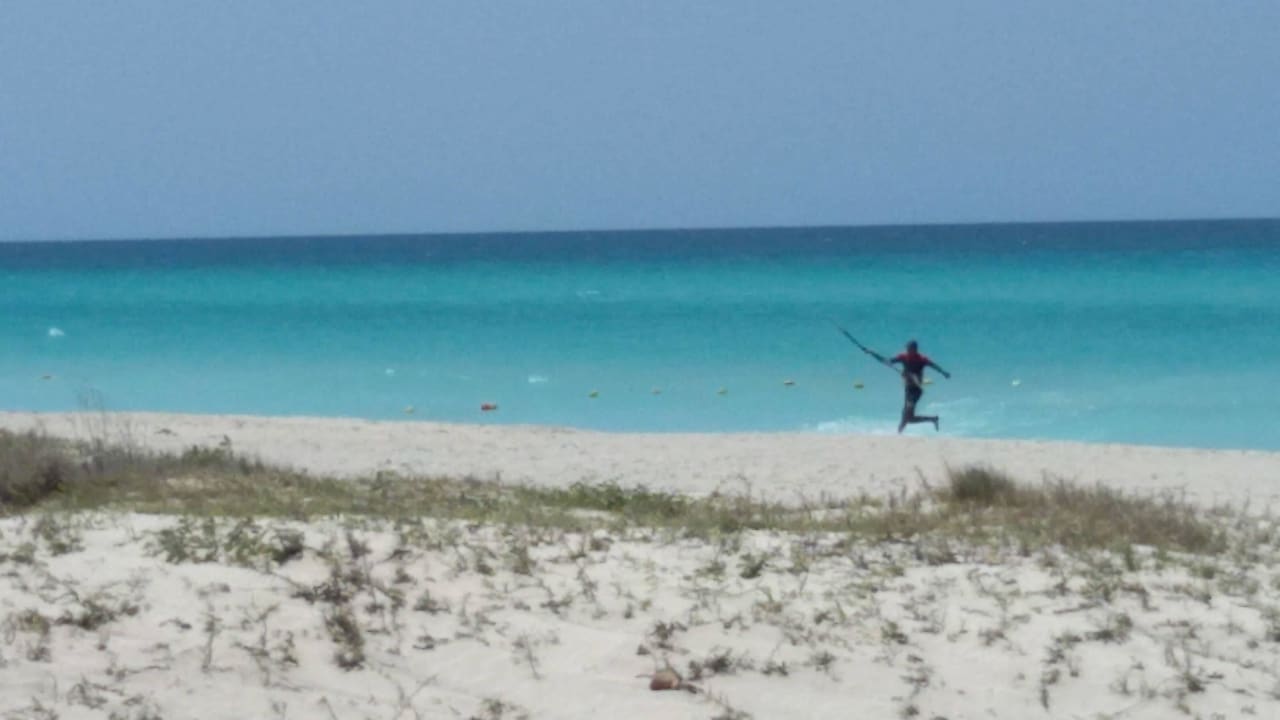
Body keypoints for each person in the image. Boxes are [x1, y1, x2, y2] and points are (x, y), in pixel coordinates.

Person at [888, 340, 950, 433]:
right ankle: (932, 419)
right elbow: (888, 361)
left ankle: (898, 435)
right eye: (907, 349)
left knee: (907, 414)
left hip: (917, 389)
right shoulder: (903, 357)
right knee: (907, 418)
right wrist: (871, 353)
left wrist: (943, 372)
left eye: (910, 349)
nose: (908, 351)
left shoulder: (921, 359)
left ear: (915, 349)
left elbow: (934, 366)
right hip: (908, 389)